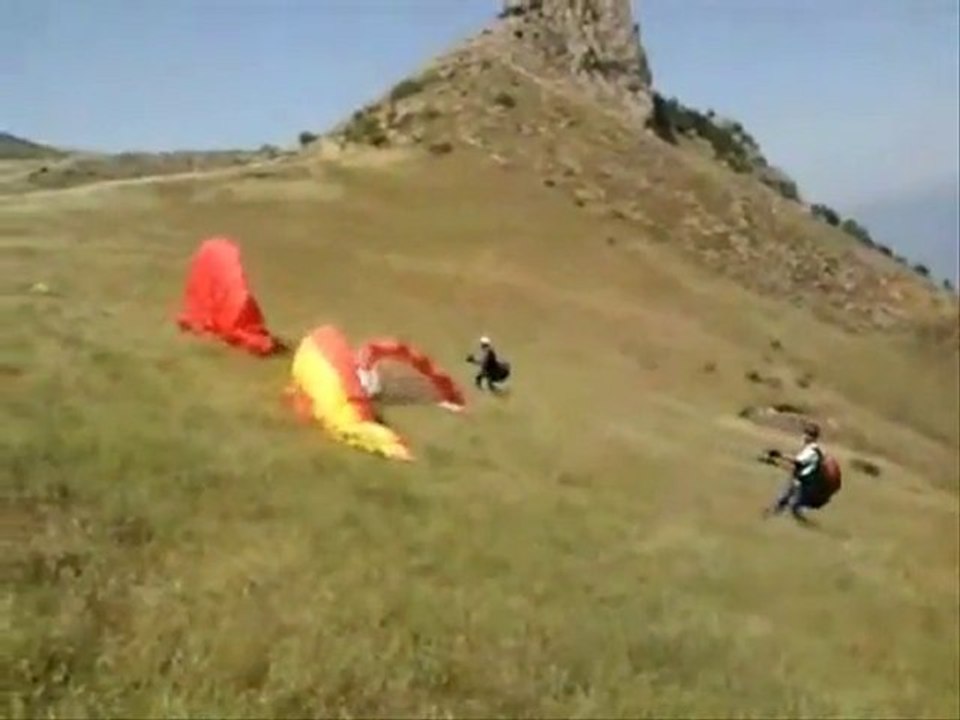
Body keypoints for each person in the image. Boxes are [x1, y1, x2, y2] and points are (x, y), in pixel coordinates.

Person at [764, 422, 825, 522]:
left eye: (807, 434)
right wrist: (776, 463)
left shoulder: (812, 451)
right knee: (783, 501)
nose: (804, 437)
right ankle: (769, 517)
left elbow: (797, 462)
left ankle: (776, 519)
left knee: (792, 507)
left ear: (812, 437)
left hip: (802, 483)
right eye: (805, 434)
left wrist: (779, 455)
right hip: (799, 480)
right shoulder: (810, 449)